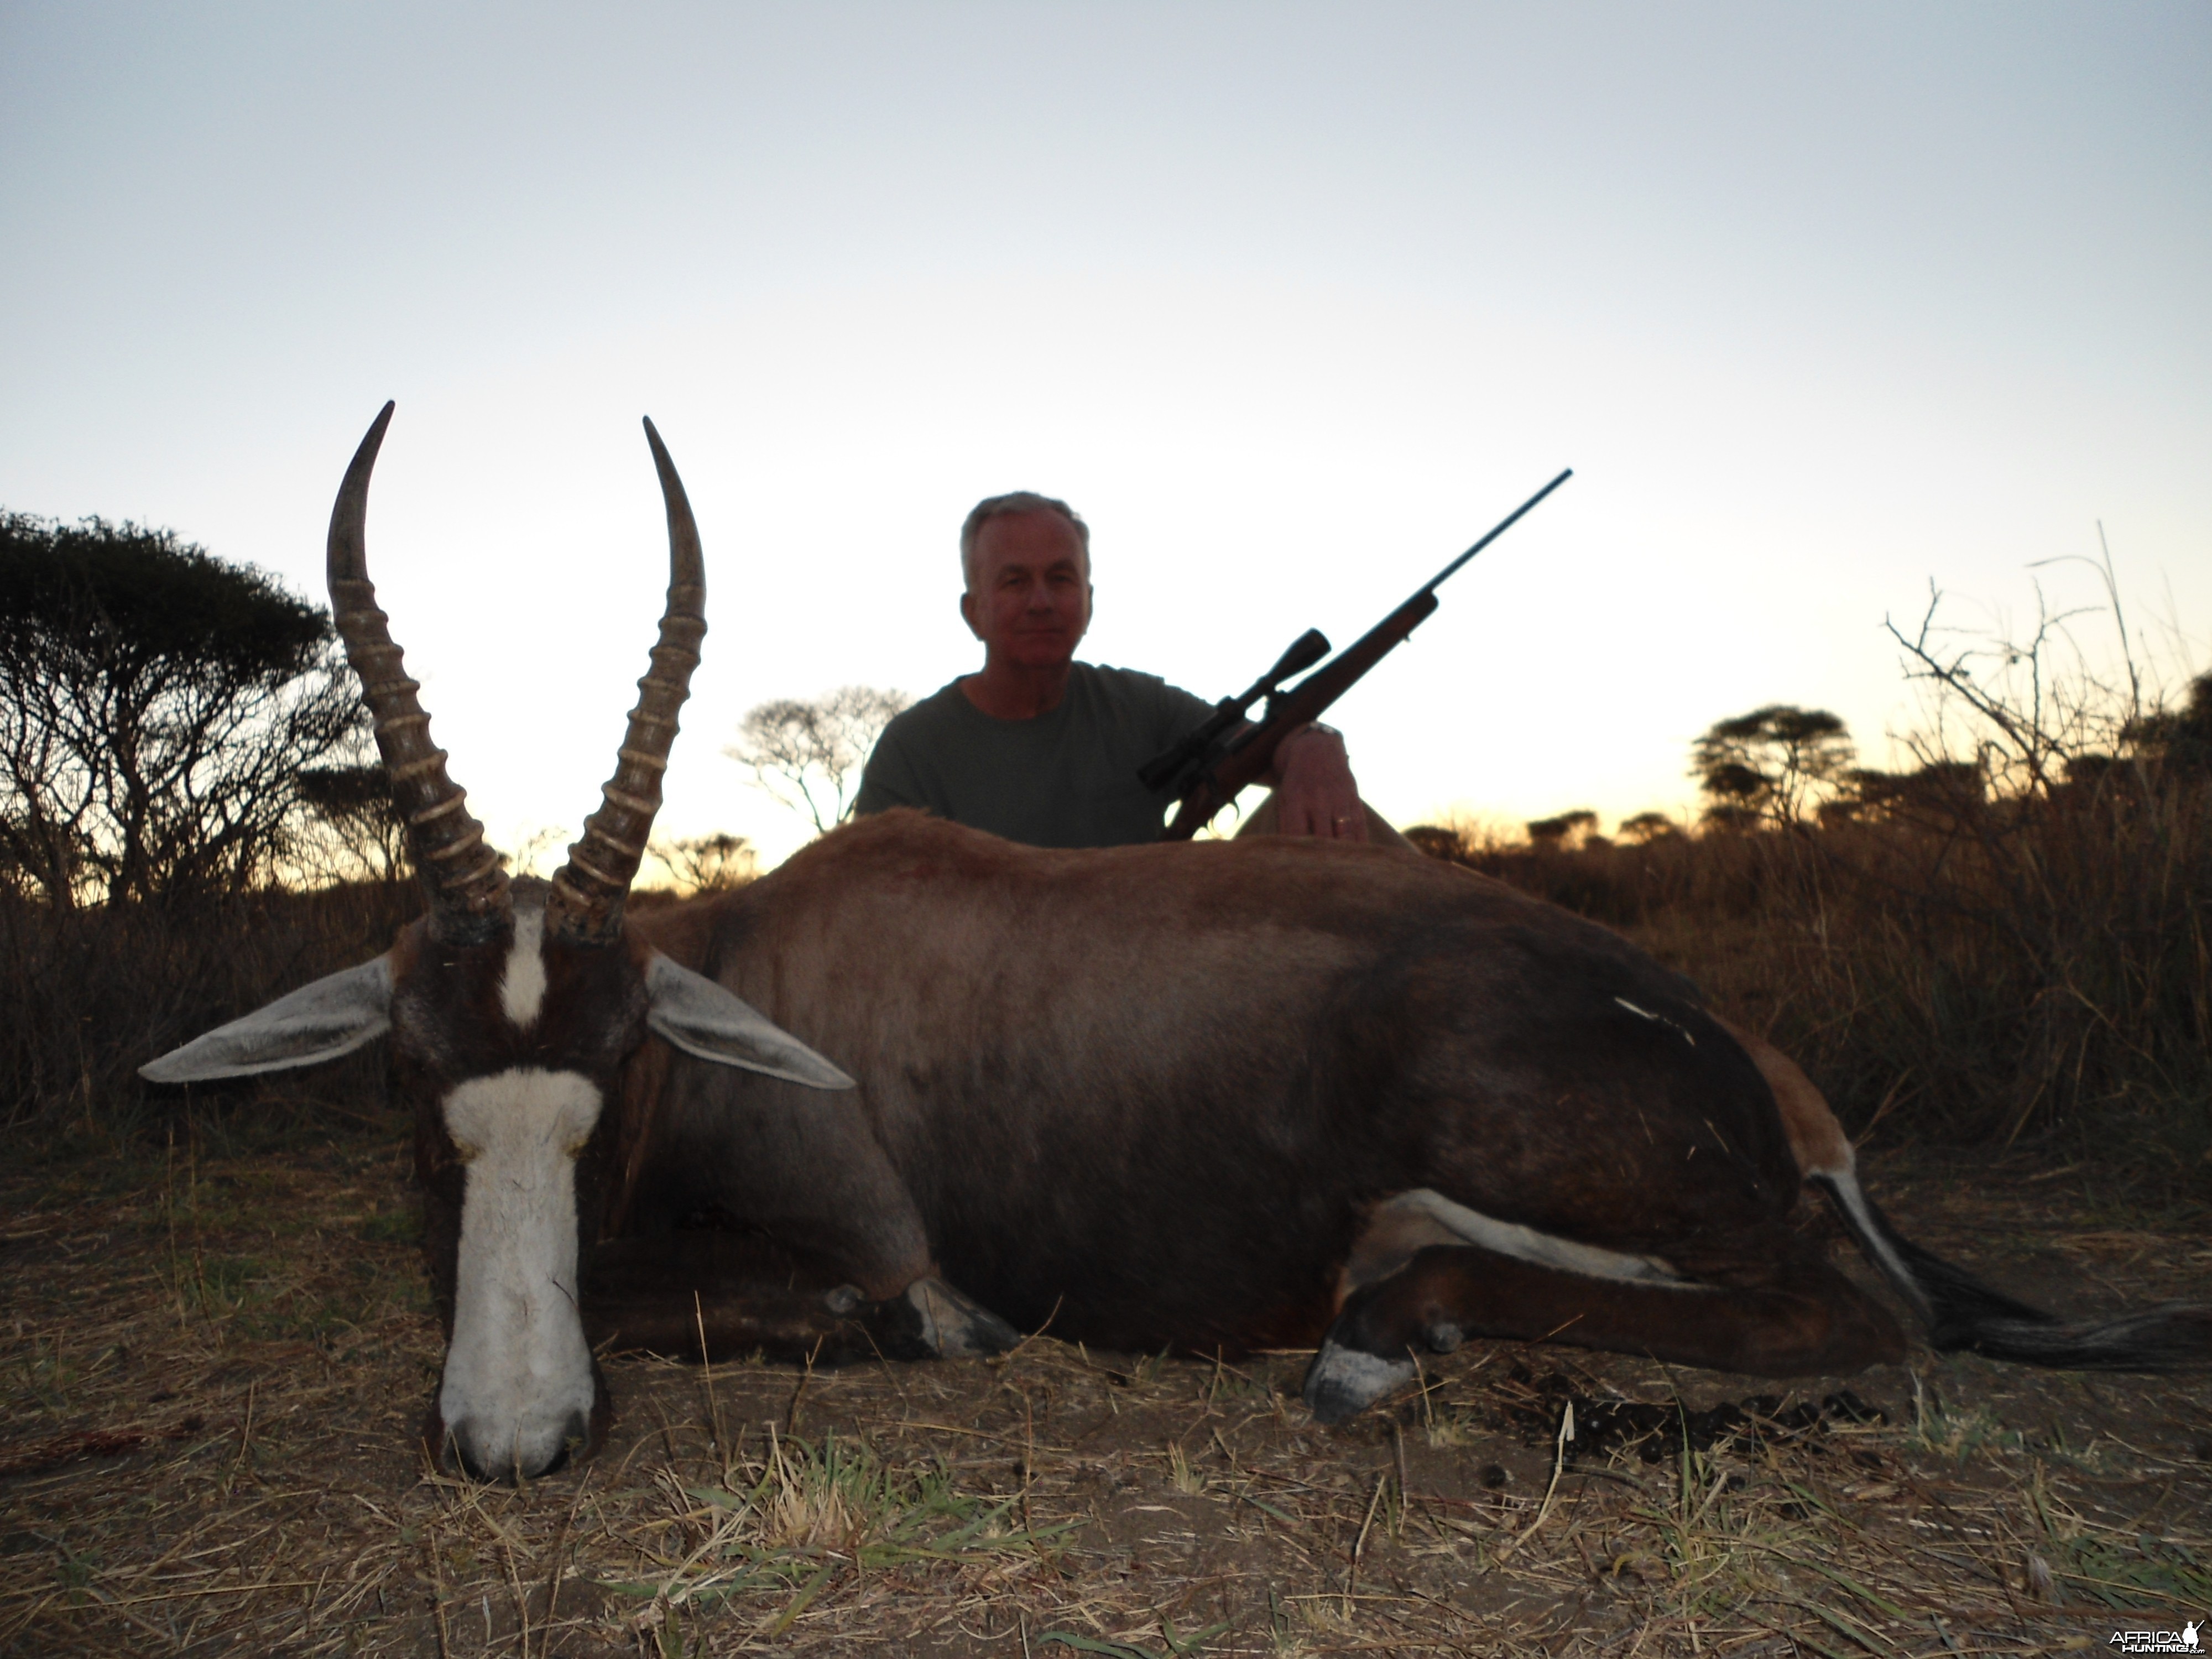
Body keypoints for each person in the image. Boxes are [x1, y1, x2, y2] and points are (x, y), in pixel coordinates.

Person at [853, 490, 1404, 849]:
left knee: (1331, 812)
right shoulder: (912, 751)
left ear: (1088, 602)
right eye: (1014, 581)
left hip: (1154, 969)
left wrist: (1315, 743)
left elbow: (1259, 743)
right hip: (987, 1002)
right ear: (972, 612)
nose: (1042, 601)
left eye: (1061, 579)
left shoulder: (1139, 705)